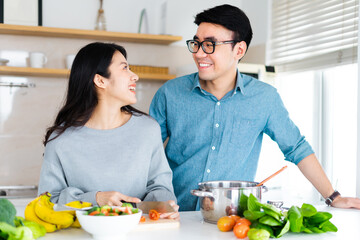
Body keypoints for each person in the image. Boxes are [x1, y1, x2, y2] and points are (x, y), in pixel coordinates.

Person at [149, 4, 360, 211]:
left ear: (239, 49)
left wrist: (333, 197)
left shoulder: (264, 98)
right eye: (196, 44)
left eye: (210, 45)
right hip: (172, 215)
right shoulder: (169, 94)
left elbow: (297, 147)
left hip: (231, 221)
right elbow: (147, 154)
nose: (199, 53)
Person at [38, 42, 179, 219]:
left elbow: (160, 187)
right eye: (125, 68)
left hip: (141, 233)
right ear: (100, 80)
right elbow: (47, 203)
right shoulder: (60, 140)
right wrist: (96, 199)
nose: (134, 76)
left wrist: (163, 206)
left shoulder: (147, 129)